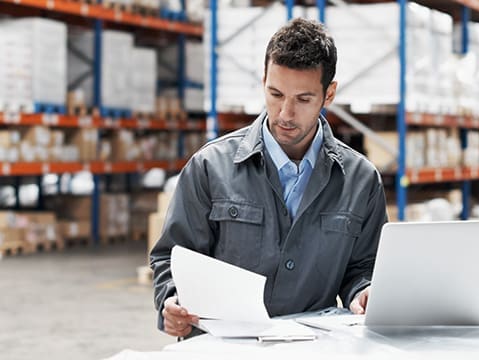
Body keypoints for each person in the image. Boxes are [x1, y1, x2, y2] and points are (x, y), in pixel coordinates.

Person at [150, 18, 388, 338]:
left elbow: (363, 269)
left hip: (314, 349)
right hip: (221, 349)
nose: (285, 114)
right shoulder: (209, 167)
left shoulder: (361, 181)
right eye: (275, 93)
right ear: (263, 80)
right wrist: (170, 300)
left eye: (303, 99)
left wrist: (365, 293)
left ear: (328, 94)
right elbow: (172, 255)